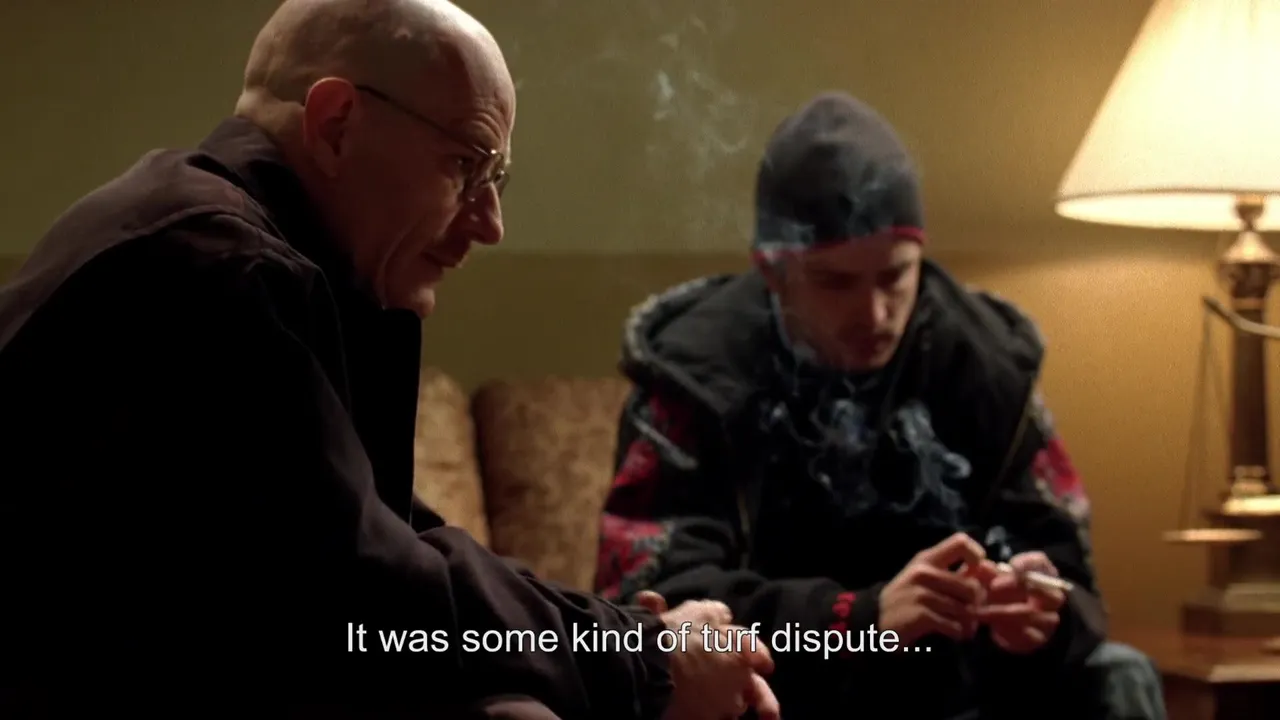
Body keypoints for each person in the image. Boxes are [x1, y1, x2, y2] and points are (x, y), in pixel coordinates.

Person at [0, 1, 780, 718]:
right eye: (467, 165)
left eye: (496, 179)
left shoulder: (239, 248)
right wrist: (646, 659)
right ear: (337, 124)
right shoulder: (216, 268)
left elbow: (388, 541)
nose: (490, 223)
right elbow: (369, 592)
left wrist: (613, 633)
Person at [595, 92, 1167, 720]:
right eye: (835, 282)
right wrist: (856, 620)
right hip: (780, 696)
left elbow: (1073, 578)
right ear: (774, 271)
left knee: (1120, 676)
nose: (874, 314)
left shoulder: (984, 368)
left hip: (960, 696)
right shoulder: (696, 383)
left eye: (895, 276)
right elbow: (653, 607)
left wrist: (1044, 616)